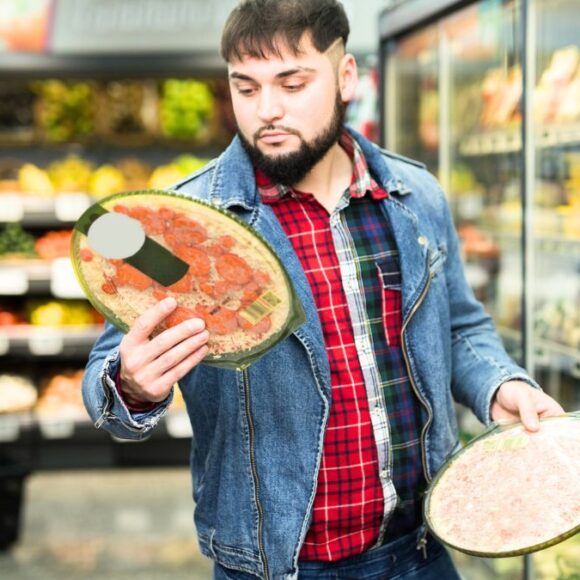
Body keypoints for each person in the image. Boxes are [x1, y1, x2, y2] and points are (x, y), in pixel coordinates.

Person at [82, 1, 565, 578]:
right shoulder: (183, 226)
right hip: (273, 566)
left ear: (345, 78)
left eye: (292, 83)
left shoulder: (414, 196)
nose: (268, 110)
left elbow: (458, 326)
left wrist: (498, 385)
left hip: (420, 552)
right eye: (247, 87)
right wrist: (132, 384)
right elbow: (105, 384)